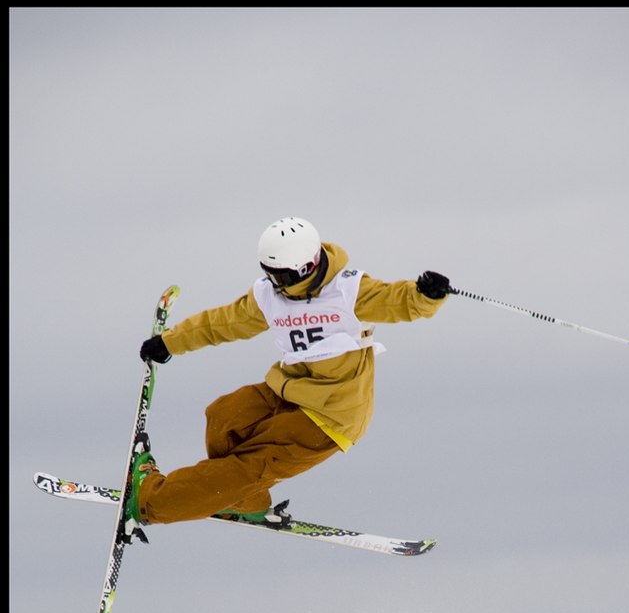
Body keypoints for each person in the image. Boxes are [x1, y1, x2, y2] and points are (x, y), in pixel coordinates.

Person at [128, 216, 450, 533]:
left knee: (244, 468)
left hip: (331, 415)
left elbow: (401, 301)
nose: (278, 285)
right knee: (224, 417)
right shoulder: (272, 295)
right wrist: (171, 342)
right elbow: (226, 322)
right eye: (271, 275)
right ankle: (246, 501)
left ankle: (151, 502)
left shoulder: (349, 292)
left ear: (306, 268)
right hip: (289, 389)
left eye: (282, 277)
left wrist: (427, 294)